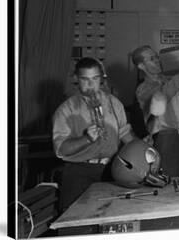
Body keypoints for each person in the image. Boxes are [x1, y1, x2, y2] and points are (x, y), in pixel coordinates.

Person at [52, 57, 135, 212]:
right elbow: (61, 150)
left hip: (111, 170)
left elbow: (125, 134)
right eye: (85, 79)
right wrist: (86, 139)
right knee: (77, 222)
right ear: (76, 79)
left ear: (102, 78)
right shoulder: (66, 110)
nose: (91, 85)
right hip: (79, 172)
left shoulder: (114, 103)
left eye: (95, 78)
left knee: (112, 217)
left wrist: (141, 147)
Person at [133, 45, 179, 178]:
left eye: (157, 57)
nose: (158, 60)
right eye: (152, 59)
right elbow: (166, 93)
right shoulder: (143, 89)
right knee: (168, 182)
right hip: (164, 138)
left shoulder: (168, 81)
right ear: (141, 66)